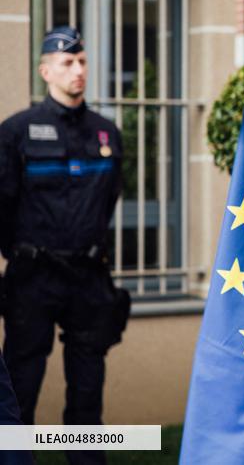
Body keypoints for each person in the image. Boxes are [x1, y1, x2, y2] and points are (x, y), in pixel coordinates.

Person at [0, 27, 128, 465]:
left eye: (83, 61)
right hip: (33, 280)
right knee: (20, 388)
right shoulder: (16, 132)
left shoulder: (107, 133)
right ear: (45, 70)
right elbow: (3, 204)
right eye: (68, 62)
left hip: (89, 281)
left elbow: (109, 201)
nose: (78, 70)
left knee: (88, 393)